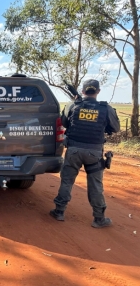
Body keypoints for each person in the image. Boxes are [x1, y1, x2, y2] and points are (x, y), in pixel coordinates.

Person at [50, 79, 120, 228]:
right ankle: (99, 219)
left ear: (82, 91)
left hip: (74, 151)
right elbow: (115, 128)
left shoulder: (73, 105)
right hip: (94, 152)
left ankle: (59, 212)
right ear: (98, 91)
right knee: (95, 185)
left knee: (67, 181)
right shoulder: (105, 108)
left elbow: (64, 122)